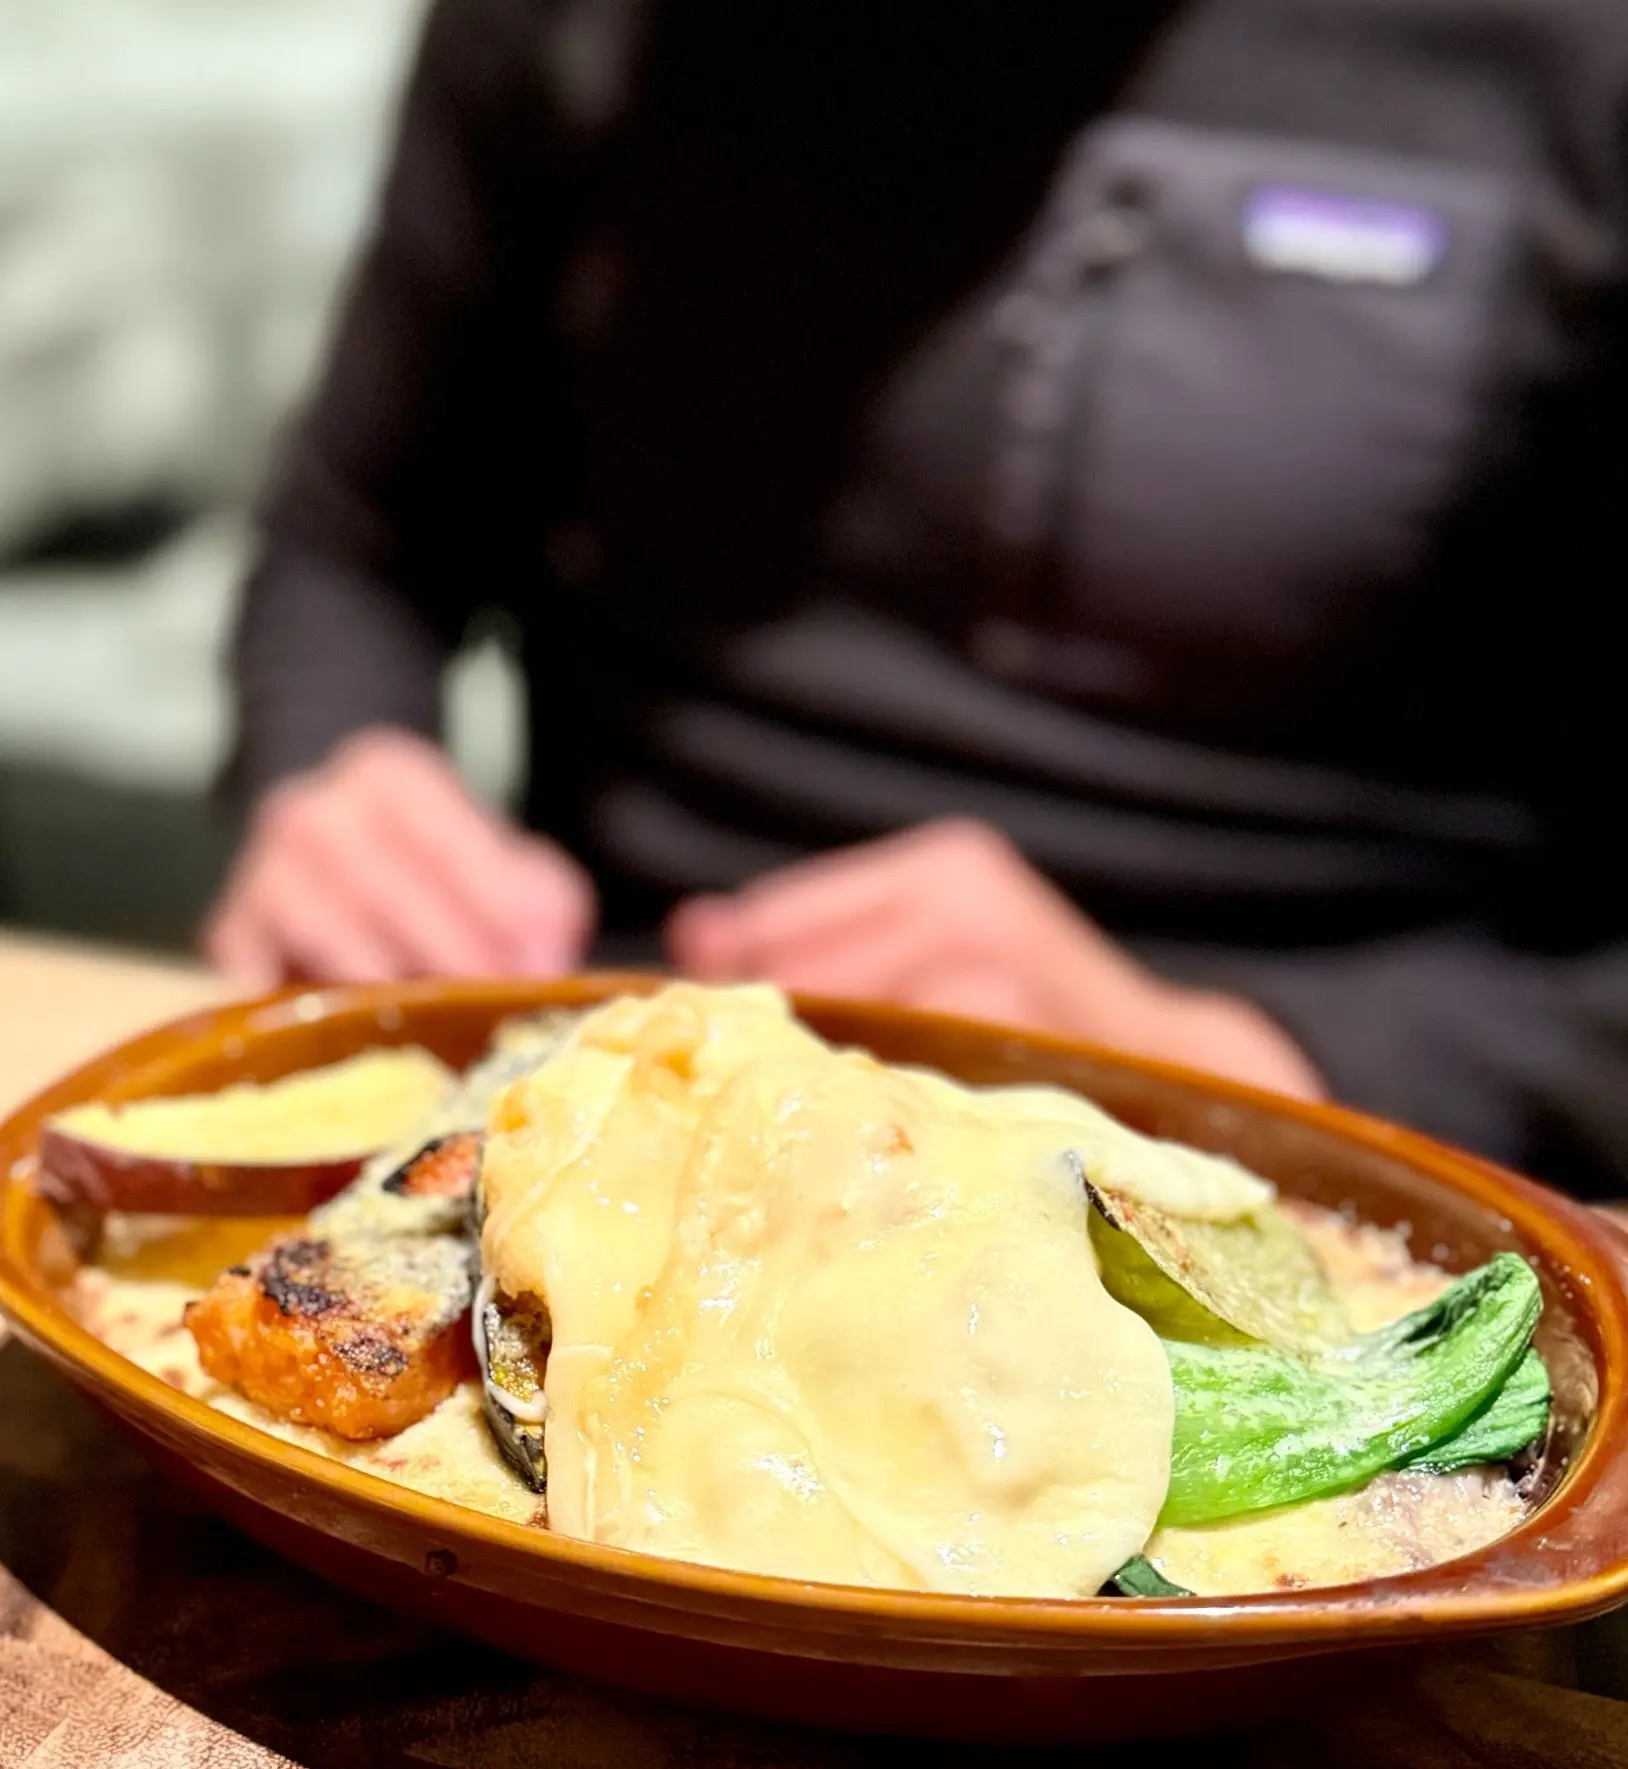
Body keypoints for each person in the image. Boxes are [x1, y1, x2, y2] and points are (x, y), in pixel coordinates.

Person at [208, 0, 1628, 1193]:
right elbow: (358, 543)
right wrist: (343, 787)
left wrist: (1223, 1054)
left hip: (1296, 1162)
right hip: (591, 1077)